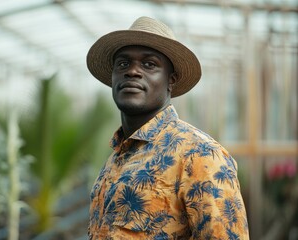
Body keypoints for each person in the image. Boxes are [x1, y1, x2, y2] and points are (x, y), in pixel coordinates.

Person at [86, 16, 249, 239]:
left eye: (149, 64)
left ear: (170, 80)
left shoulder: (200, 155)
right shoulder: (117, 156)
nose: (132, 71)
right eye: (123, 63)